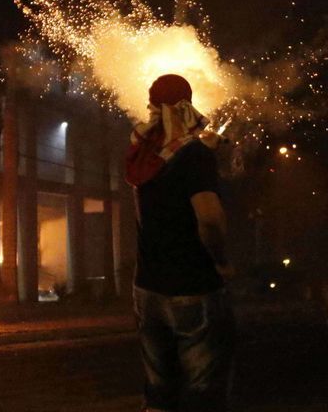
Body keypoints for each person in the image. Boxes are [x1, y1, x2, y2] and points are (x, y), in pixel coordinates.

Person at [127, 74, 234, 412]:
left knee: (160, 393)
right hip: (193, 285)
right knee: (203, 394)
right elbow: (210, 217)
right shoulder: (194, 154)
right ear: (187, 104)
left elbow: (145, 217)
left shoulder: (142, 154)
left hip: (147, 288)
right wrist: (220, 261)